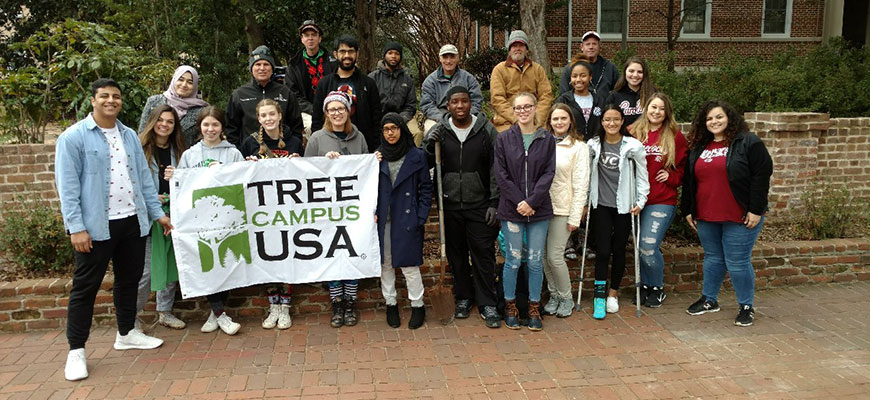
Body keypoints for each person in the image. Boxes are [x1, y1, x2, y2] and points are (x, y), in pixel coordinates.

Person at [56, 78, 172, 381]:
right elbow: (67, 187)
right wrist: (76, 227)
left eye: (116, 96)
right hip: (95, 227)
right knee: (85, 288)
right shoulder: (73, 138)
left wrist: (157, 214)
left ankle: (126, 333)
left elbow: (144, 180)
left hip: (133, 221)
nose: (111, 101)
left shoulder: (130, 135)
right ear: (93, 101)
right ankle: (76, 350)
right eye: (104, 96)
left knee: (128, 281)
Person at [682, 100, 772, 327]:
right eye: (709, 118)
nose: (714, 122)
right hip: (706, 215)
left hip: (739, 215)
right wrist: (689, 209)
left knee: (738, 262)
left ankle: (746, 306)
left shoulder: (747, 142)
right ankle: (709, 300)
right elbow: (689, 181)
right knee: (713, 259)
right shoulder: (699, 146)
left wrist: (755, 209)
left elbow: (762, 176)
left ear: (729, 118)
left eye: (719, 117)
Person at [423, 86, 502, 328]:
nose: (459, 106)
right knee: (456, 255)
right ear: (447, 105)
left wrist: (494, 202)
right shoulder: (440, 131)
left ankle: (487, 301)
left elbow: (496, 168)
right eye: (454, 102)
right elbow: (427, 163)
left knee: (483, 254)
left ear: (471, 104)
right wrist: (428, 145)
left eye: (464, 102)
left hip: (479, 204)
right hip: (450, 204)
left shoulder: (486, 130)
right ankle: (464, 297)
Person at [164, 106, 245, 335]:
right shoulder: (190, 155)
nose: (211, 129)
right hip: (200, 220)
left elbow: (242, 183)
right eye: (206, 124)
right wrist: (173, 176)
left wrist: (225, 172)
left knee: (226, 265)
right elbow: (181, 188)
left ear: (222, 127)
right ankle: (220, 314)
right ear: (200, 127)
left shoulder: (233, 153)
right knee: (209, 264)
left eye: (215, 125)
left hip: (228, 218)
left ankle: (215, 313)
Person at [305, 91, 374, 327]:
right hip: (327, 210)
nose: (337, 113)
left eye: (341, 109)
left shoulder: (358, 137)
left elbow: (366, 172)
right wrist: (325, 163)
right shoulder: (316, 138)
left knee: (351, 253)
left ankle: (350, 302)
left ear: (348, 112)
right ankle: (336, 304)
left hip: (353, 209)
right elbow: (305, 174)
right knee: (333, 256)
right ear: (326, 113)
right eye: (332, 109)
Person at [493, 92, 556, 331]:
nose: (523, 111)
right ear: (513, 111)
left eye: (527, 106)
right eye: (518, 107)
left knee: (535, 261)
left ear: (534, 108)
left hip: (538, 211)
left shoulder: (547, 139)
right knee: (513, 259)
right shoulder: (504, 139)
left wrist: (532, 201)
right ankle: (510, 306)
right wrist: (520, 201)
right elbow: (501, 174)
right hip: (511, 210)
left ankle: (533, 307)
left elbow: (549, 174)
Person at [586, 104, 649, 320]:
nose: (611, 123)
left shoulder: (633, 146)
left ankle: (613, 293)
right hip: (601, 205)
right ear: (601, 122)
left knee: (619, 249)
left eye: (615, 119)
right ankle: (600, 296)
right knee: (603, 251)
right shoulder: (593, 145)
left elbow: (642, 176)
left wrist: (641, 200)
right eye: (607, 120)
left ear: (622, 121)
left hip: (624, 205)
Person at [630, 93, 687, 308]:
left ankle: (657, 287)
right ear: (646, 109)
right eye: (653, 107)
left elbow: (684, 170)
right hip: (636, 200)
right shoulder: (633, 133)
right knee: (639, 246)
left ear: (667, 112)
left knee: (648, 245)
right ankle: (646, 286)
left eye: (661, 108)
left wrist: (671, 177)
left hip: (661, 199)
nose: (656, 112)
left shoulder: (675, 136)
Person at [376, 113, 432, 329]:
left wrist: (420, 216)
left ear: (402, 129)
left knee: (409, 265)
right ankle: (391, 303)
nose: (390, 133)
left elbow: (426, 188)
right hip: (384, 219)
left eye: (394, 128)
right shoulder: (377, 156)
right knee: (386, 264)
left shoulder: (416, 156)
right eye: (386, 129)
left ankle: (417, 305)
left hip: (407, 217)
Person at [135, 105, 188, 330]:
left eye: (170, 122)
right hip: (148, 216)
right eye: (161, 120)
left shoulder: (180, 151)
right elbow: (129, 183)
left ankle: (164, 311)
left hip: (174, 214)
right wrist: (149, 198)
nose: (164, 125)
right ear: (153, 121)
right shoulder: (139, 149)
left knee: (171, 266)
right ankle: (130, 316)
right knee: (145, 271)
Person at [542, 104, 590, 318]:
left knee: (554, 256)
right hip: (540, 208)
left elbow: (581, 184)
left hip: (562, 208)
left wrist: (575, 215)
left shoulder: (579, 147)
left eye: (563, 118)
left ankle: (566, 297)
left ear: (570, 121)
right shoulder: (542, 143)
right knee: (542, 256)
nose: (559, 122)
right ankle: (553, 295)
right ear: (549, 122)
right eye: (555, 119)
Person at [312, 35, 383, 152]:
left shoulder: (368, 83)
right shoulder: (324, 83)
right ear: (335, 54)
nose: (347, 56)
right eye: (342, 51)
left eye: (351, 52)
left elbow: (376, 119)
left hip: (362, 144)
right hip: (330, 146)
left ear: (357, 54)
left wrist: (377, 147)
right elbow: (317, 118)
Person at [225, 45, 304, 148]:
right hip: (250, 154)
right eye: (258, 64)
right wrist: (238, 152)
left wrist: (293, 148)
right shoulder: (239, 95)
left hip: (282, 152)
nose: (262, 68)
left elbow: (296, 126)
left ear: (272, 68)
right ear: (251, 68)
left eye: (266, 64)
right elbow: (231, 128)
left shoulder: (286, 92)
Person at [490, 30, 553, 132]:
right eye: (514, 46)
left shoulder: (537, 69)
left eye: (521, 45)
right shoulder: (499, 70)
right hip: (507, 122)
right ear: (509, 50)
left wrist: (536, 118)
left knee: (544, 139)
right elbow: (497, 99)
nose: (517, 49)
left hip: (535, 121)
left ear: (526, 49)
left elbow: (546, 96)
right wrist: (516, 118)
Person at [420, 44, 484, 135]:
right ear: (440, 59)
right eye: (445, 57)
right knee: (429, 130)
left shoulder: (468, 78)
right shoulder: (430, 81)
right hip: (439, 117)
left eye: (452, 57)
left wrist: (466, 116)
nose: (448, 61)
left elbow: (477, 100)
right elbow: (427, 105)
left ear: (458, 58)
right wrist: (444, 118)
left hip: (465, 115)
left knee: (482, 129)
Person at [138, 65, 209, 147]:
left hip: (183, 157)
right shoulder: (154, 102)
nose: (184, 84)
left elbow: (202, 143)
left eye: (190, 82)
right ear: (174, 80)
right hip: (151, 155)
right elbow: (142, 132)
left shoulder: (201, 111)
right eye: (180, 79)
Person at [288, 20, 336, 138]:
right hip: (306, 111)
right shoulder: (294, 64)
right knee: (309, 129)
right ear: (302, 39)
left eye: (314, 35)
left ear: (319, 38)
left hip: (333, 106)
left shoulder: (333, 61)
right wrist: (314, 109)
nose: (310, 38)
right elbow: (293, 94)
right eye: (306, 35)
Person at [369, 42, 422, 146]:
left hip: (402, 118)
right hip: (379, 118)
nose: (393, 56)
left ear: (400, 57)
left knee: (417, 133)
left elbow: (410, 105)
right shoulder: (373, 78)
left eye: (397, 53)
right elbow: (369, 104)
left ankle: (412, 160)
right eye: (390, 53)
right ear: (384, 55)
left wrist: (399, 120)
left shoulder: (407, 80)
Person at [554, 55, 604, 141]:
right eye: (574, 76)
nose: (578, 79)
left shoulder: (599, 100)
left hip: (595, 146)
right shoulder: (563, 100)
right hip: (571, 146)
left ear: (590, 77)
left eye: (583, 75)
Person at [559, 31, 620, 96]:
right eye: (587, 44)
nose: (591, 47)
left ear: (599, 46)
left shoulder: (610, 68)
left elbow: (618, 92)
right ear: (581, 47)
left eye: (594, 44)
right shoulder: (570, 68)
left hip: (604, 105)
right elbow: (563, 95)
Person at [239, 99, 304, 159]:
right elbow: (242, 170)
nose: (268, 118)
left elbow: (303, 170)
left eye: (272, 114)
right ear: (259, 119)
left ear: (280, 116)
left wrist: (298, 161)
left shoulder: (295, 143)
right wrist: (249, 164)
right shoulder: (249, 143)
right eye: (263, 115)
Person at [606, 56, 655, 129]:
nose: (635, 75)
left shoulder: (653, 94)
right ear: (625, 72)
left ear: (644, 74)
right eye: (631, 71)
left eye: (640, 72)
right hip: (623, 138)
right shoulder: (614, 96)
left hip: (647, 137)